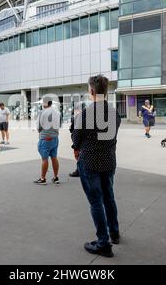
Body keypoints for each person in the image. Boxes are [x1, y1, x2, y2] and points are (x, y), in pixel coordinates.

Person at [72, 75, 121, 258]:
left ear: (91, 91)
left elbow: (76, 138)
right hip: (108, 161)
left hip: (90, 162)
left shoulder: (85, 113)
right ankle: (114, 233)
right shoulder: (114, 112)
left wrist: (77, 148)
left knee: (96, 202)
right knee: (109, 197)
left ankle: (103, 243)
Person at [34, 98, 61, 185]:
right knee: (54, 157)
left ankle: (43, 179)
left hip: (45, 138)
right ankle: (56, 177)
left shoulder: (42, 112)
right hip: (55, 138)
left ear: (45, 103)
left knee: (44, 159)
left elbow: (38, 127)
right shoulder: (57, 112)